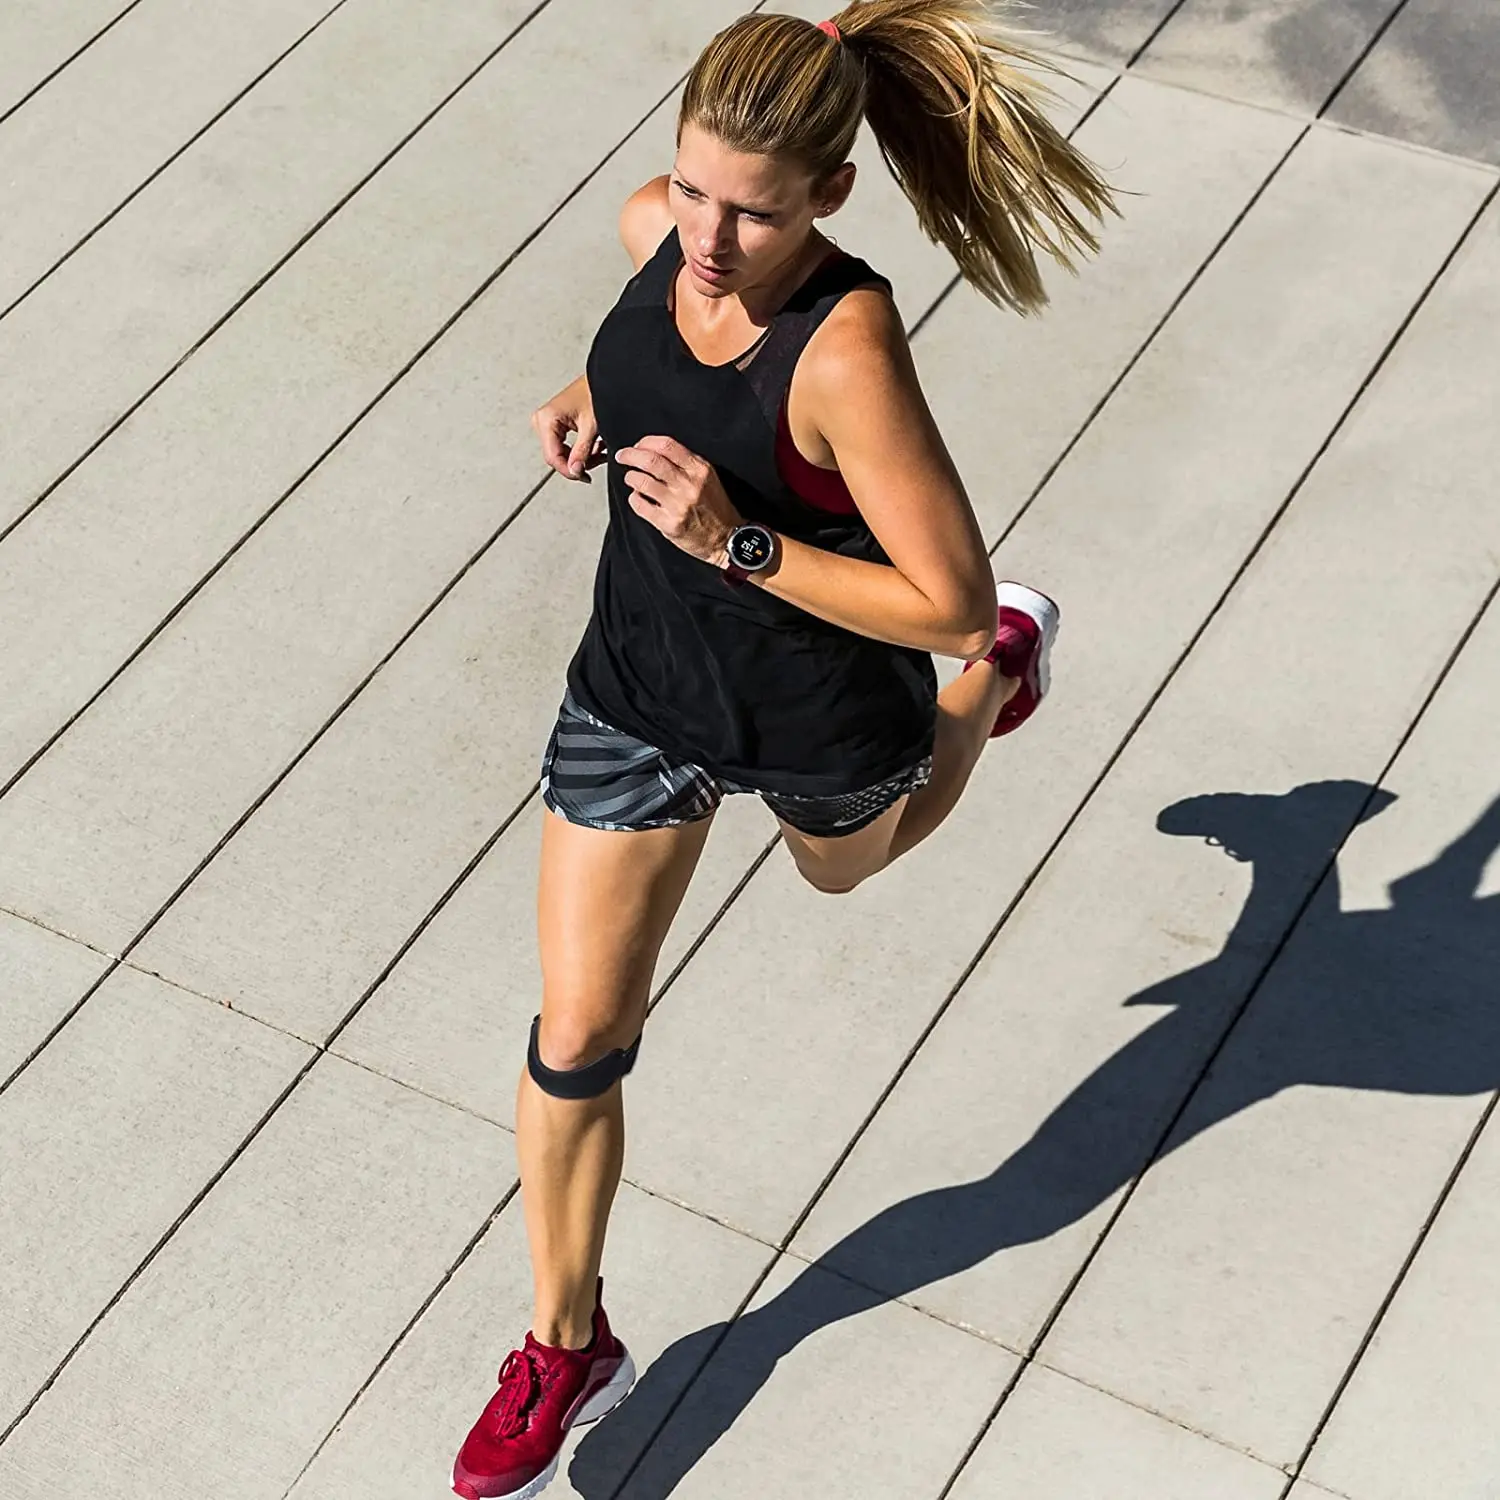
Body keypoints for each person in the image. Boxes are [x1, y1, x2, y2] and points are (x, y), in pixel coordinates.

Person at [451, 4, 1114, 1495]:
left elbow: (936, 595)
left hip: (819, 703)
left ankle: (1009, 679)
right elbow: (641, 341)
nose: (707, 235)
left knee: (848, 871)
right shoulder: (657, 233)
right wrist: (588, 394)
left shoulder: (845, 348)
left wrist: (734, 537)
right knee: (575, 1042)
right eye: (692, 187)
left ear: (830, 196)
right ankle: (568, 1344)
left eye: (752, 209)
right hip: (637, 690)